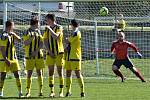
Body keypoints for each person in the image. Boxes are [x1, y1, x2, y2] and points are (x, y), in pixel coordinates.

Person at [0, 20, 23, 98]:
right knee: (3, 75)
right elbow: (2, 48)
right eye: (13, 25)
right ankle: (0, 92)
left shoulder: (12, 34)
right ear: (10, 26)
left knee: (17, 74)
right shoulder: (4, 35)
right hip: (5, 59)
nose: (14, 27)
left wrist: (14, 34)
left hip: (14, 58)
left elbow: (20, 40)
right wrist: (6, 59)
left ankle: (20, 92)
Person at [23, 17, 45, 97]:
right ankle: (28, 92)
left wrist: (36, 51)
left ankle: (40, 91)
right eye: (39, 23)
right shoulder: (27, 32)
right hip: (30, 56)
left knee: (40, 73)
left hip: (39, 55)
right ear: (36, 23)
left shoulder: (38, 31)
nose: (39, 24)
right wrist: (32, 38)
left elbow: (41, 43)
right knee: (29, 74)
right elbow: (25, 43)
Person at [43, 13, 64, 97]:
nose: (46, 21)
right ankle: (52, 92)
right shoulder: (46, 29)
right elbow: (45, 40)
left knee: (60, 72)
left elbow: (56, 37)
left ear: (51, 20)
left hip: (59, 53)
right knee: (50, 72)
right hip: (50, 53)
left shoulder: (59, 27)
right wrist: (49, 51)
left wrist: (49, 29)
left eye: (47, 19)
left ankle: (61, 91)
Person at [64, 19, 85, 97]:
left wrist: (66, 39)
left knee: (77, 73)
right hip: (69, 56)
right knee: (68, 73)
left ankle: (82, 92)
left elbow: (68, 41)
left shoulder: (76, 33)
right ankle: (68, 91)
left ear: (71, 25)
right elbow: (70, 44)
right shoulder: (73, 32)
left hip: (75, 56)